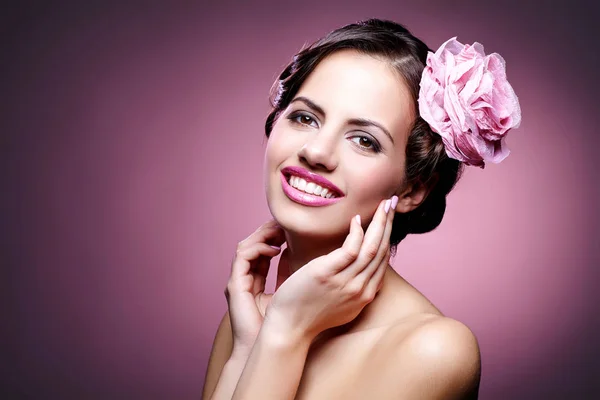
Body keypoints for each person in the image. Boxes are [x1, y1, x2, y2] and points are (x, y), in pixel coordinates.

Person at [202, 18, 521, 400]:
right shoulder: (246, 319)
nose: (316, 152)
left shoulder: (432, 350)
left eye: (364, 141)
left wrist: (286, 331)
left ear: (413, 188)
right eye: (305, 117)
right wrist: (247, 349)